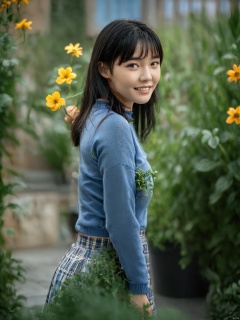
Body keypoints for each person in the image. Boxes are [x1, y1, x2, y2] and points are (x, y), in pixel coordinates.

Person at [45, 18, 163, 316]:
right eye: (133, 65)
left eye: (154, 63)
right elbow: (121, 218)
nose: (147, 75)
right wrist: (137, 287)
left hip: (90, 262)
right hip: (108, 270)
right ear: (104, 68)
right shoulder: (114, 127)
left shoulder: (98, 116)